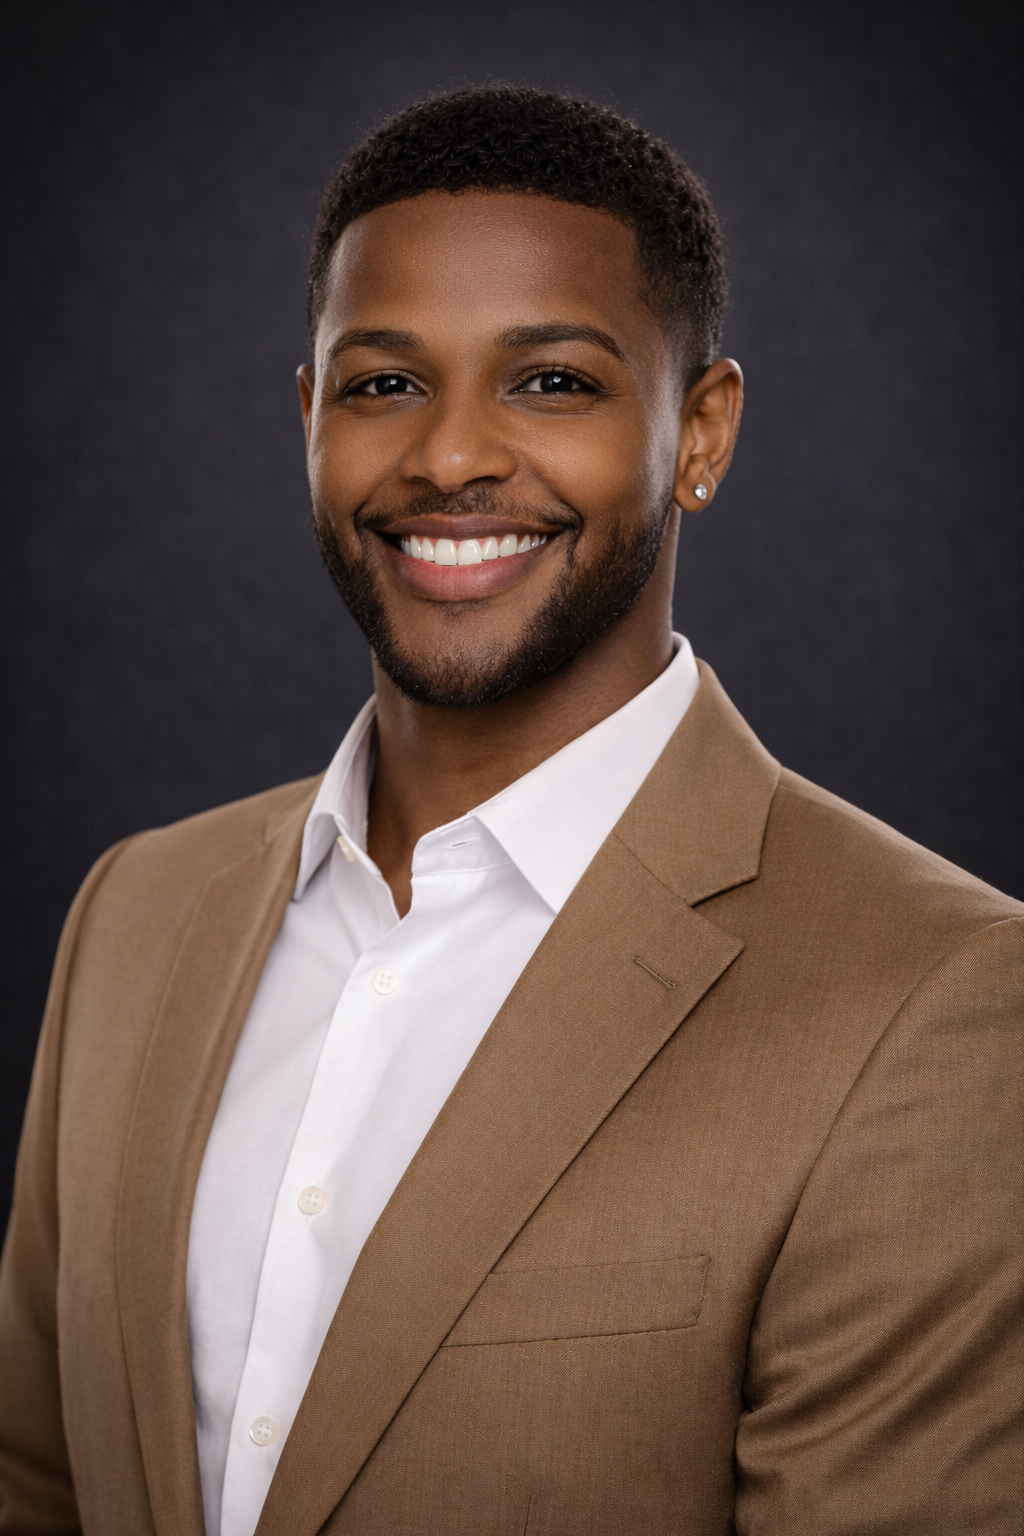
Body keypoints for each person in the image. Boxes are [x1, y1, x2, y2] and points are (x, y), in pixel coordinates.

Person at [0, 84, 1020, 1536]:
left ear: (701, 433)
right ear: (308, 421)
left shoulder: (942, 1003)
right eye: (381, 382)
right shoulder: (132, 915)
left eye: (552, 381)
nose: (452, 455)